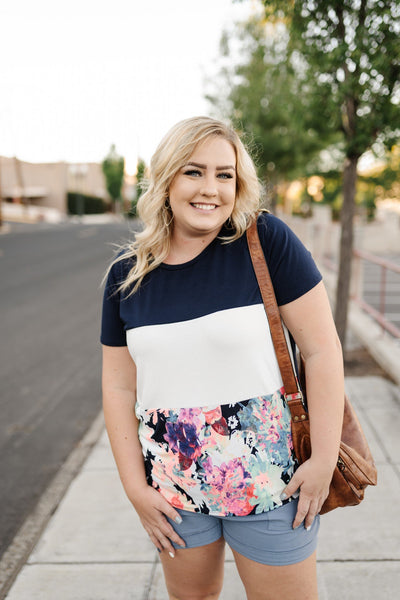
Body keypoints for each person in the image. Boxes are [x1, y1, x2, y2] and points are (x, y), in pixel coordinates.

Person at [100, 116, 344, 600]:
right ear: (166, 178)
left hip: (272, 481)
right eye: (193, 172)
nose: (210, 188)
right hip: (173, 487)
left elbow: (322, 350)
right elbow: (118, 386)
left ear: (239, 183)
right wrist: (135, 489)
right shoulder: (126, 276)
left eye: (224, 174)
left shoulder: (266, 242)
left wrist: (323, 460)